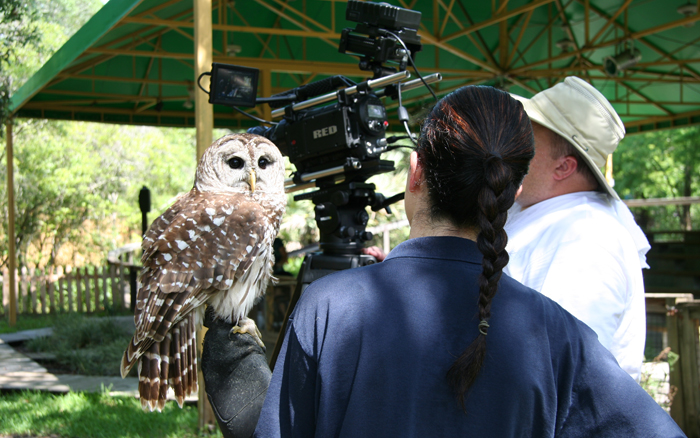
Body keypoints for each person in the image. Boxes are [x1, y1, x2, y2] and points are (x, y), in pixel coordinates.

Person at [202, 85, 683, 438]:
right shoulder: (556, 332)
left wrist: (251, 414)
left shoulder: (328, 308)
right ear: (508, 193)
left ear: (415, 174)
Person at [503, 77, 651, 381]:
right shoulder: (546, 213)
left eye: (527, 139)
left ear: (564, 167)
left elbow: (559, 373)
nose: (511, 146)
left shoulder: (586, 238)